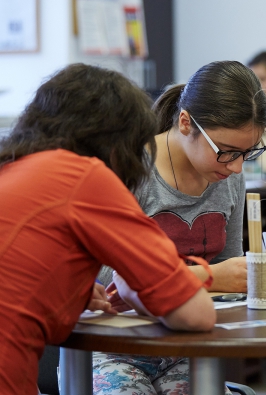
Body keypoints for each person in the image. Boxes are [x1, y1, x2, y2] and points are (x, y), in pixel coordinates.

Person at [0, 63, 216, 395]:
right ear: (121, 145)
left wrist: (74, 292)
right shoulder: (85, 177)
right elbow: (196, 314)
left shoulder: (12, 169)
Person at [93, 60, 266, 395]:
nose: (236, 167)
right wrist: (211, 276)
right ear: (186, 123)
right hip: (113, 347)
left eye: (248, 153)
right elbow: (105, 277)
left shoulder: (227, 177)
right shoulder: (130, 166)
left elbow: (230, 275)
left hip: (188, 346)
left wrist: (260, 270)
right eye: (226, 152)